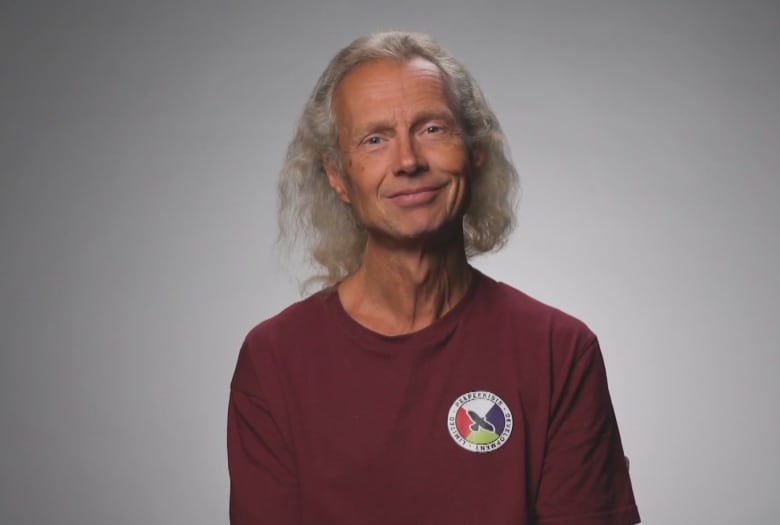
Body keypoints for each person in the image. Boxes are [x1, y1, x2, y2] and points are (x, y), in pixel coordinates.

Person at [227, 31, 640, 525]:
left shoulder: (559, 351)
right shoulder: (275, 359)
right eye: (375, 139)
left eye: (431, 129)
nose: (407, 161)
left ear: (475, 151)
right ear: (337, 176)